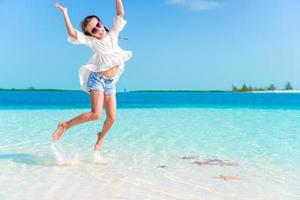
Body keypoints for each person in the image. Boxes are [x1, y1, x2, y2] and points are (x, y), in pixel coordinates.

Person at [52, 0, 132, 154]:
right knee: (96, 114)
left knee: (112, 118)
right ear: (90, 34)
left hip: (110, 82)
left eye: (98, 25)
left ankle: (100, 138)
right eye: (93, 30)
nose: (98, 30)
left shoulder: (113, 34)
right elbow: (72, 34)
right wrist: (65, 12)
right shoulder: (92, 42)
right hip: (97, 79)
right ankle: (65, 126)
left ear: (101, 23)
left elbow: (120, 14)